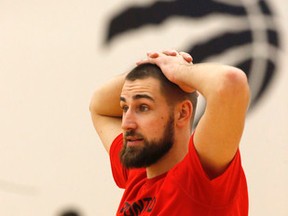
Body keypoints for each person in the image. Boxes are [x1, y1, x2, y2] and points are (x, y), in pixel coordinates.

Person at [89, 50, 250, 215]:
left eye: (143, 107)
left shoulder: (198, 179)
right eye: (125, 107)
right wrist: (156, 64)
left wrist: (178, 71)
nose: (126, 124)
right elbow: (99, 105)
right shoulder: (139, 172)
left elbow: (231, 83)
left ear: (182, 113)